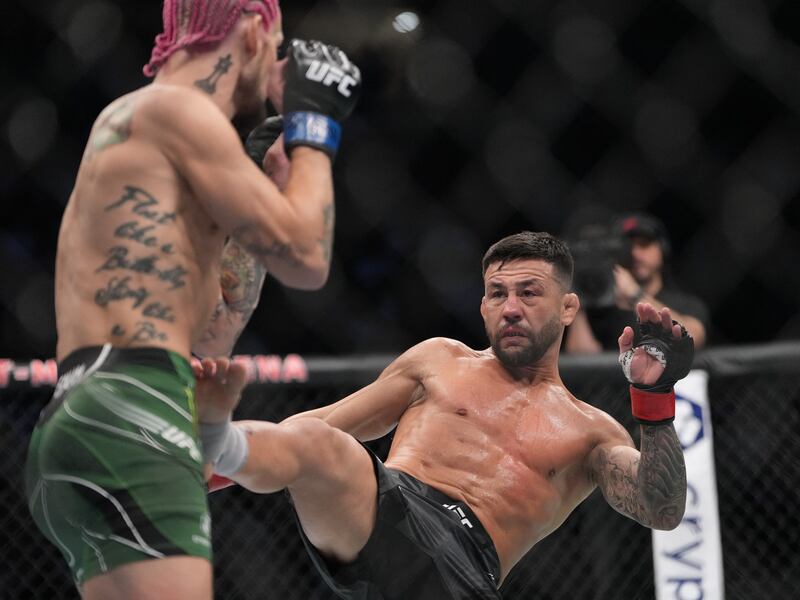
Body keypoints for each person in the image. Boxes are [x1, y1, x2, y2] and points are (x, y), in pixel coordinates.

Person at [23, 0, 361, 597]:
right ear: (255, 34)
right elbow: (309, 258)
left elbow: (208, 330)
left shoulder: (146, 129)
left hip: (97, 407)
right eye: (276, 43)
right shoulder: (180, 111)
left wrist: (268, 193)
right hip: (133, 410)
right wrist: (316, 127)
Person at [196, 231, 692, 600]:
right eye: (498, 293)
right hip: (387, 512)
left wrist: (656, 401)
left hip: (464, 570)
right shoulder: (439, 360)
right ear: (482, 306)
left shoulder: (591, 430)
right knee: (314, 439)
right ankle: (192, 451)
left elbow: (661, 509)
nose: (511, 307)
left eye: (529, 292)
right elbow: (326, 426)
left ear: (567, 309)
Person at [566, 213, 709, 353]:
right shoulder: (602, 307)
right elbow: (581, 358)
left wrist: (635, 294)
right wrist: (580, 299)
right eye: (626, 248)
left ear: (662, 249)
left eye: (644, 245)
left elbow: (692, 340)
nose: (635, 254)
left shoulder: (685, 303)